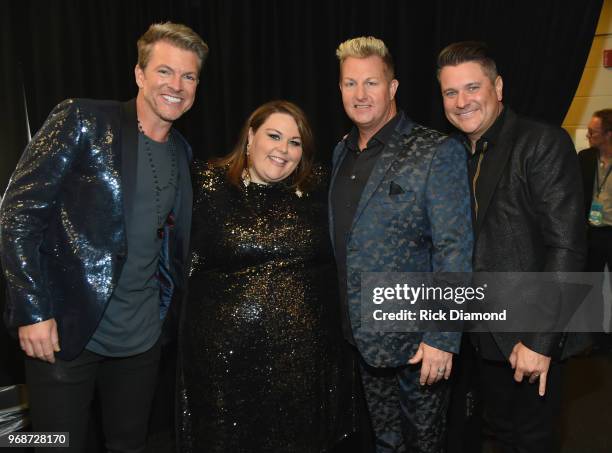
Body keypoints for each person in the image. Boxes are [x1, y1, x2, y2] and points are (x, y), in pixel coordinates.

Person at [0, 22, 208, 452]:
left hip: (141, 341)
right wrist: (31, 309)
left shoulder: (183, 151)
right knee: (53, 445)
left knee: (129, 445)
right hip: (64, 332)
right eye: (165, 71)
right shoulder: (82, 119)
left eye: (188, 76)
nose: (177, 85)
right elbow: (17, 213)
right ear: (139, 74)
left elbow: (171, 247)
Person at [178, 100, 358, 452]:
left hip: (304, 363)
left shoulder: (320, 185)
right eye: (274, 136)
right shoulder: (205, 183)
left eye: (295, 142)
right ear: (250, 136)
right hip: (224, 363)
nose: (283, 150)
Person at [437, 41, 587, 452]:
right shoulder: (453, 154)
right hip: (478, 339)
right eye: (451, 92)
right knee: (495, 436)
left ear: (498, 87)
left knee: (530, 443)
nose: (462, 101)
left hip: (528, 338)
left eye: (472, 88)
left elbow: (567, 248)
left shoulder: (541, 142)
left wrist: (541, 341)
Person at [329, 36, 472, 452]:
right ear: (339, 89)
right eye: (350, 83)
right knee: (386, 442)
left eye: (371, 83)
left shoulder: (436, 150)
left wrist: (442, 337)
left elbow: (455, 247)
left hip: (418, 344)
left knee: (423, 445)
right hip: (363, 337)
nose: (360, 94)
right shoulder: (341, 153)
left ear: (392, 88)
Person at [579, 110, 612, 319]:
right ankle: (592, 340)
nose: (589, 137)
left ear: (609, 134)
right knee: (590, 287)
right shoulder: (585, 158)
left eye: (593, 133)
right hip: (592, 233)